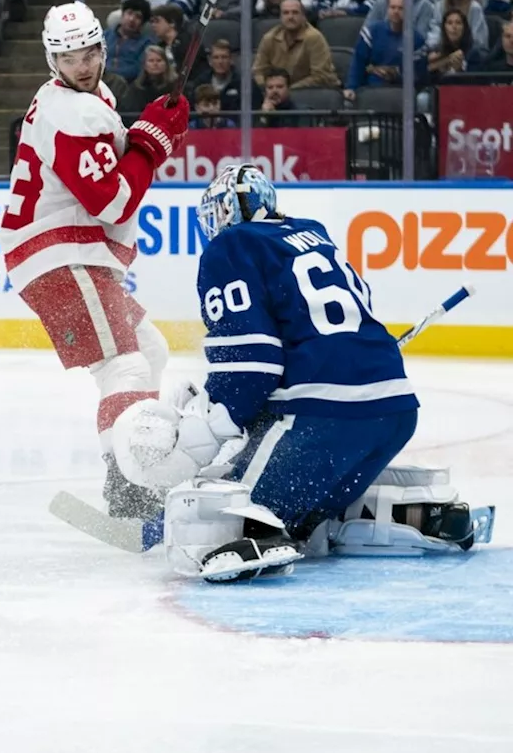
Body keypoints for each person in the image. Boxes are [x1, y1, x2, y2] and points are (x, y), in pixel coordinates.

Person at [109, 165, 489, 583]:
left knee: (223, 509)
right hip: (394, 412)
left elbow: (251, 366)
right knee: (311, 510)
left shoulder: (232, 246)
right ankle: (418, 514)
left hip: (324, 415)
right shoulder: (313, 234)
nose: (214, 228)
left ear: (230, 211)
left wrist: (213, 424)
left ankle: (232, 529)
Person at [0, 2, 187, 519]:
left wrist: (149, 133)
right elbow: (114, 201)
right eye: (69, 56)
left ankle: (128, 468)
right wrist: (152, 147)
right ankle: (127, 484)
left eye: (89, 53)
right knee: (123, 366)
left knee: (149, 350)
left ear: (102, 50)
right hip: (56, 255)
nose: (82, 65)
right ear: (51, 60)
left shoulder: (88, 97)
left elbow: (111, 167)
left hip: (65, 252)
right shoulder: (72, 110)